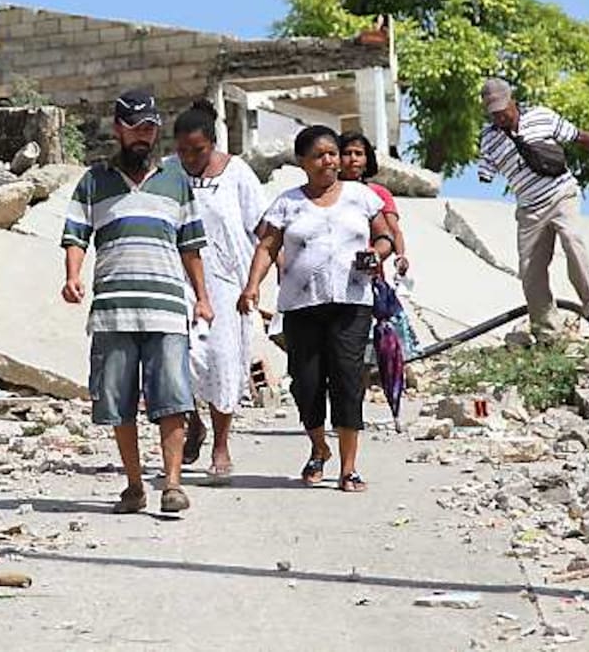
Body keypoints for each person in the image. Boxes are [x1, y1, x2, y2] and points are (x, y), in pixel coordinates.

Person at [61, 89, 215, 515]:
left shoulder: (176, 181)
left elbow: (191, 245)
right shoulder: (94, 181)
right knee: (118, 400)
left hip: (166, 308)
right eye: (134, 128)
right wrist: (72, 276)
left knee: (173, 397)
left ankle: (171, 484)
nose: (142, 136)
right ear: (118, 130)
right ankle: (133, 485)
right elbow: (76, 234)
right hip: (113, 311)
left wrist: (202, 297)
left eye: (149, 128)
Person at [237, 125, 395, 492]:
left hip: (352, 303)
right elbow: (267, 247)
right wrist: (252, 286)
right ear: (302, 163)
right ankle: (320, 447)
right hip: (301, 306)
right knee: (306, 384)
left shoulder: (360, 196)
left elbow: (384, 236)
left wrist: (378, 253)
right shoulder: (287, 202)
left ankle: (349, 468)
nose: (329, 160)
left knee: (347, 381)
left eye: (333, 153)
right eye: (319, 155)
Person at [477, 77, 589, 338]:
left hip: (561, 194)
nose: (499, 117)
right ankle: (546, 331)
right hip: (530, 209)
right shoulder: (489, 138)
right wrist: (485, 172)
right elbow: (485, 169)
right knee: (530, 269)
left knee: (572, 239)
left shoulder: (541, 116)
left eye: (502, 111)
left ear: (513, 101)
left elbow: (579, 137)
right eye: (493, 114)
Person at [167, 99, 267, 484]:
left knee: (222, 361)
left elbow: (263, 230)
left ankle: (221, 444)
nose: (190, 158)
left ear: (212, 144)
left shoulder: (237, 173)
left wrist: (258, 283)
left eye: (199, 151)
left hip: (226, 285)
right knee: (179, 359)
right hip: (178, 280)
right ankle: (191, 423)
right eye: (183, 151)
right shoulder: (168, 173)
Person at [338, 130, 409, 278]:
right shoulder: (325, 193)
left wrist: (400, 256)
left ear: (367, 160)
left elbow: (393, 230)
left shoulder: (378, 194)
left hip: (369, 275)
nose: (353, 159)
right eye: (347, 153)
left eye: (358, 153)